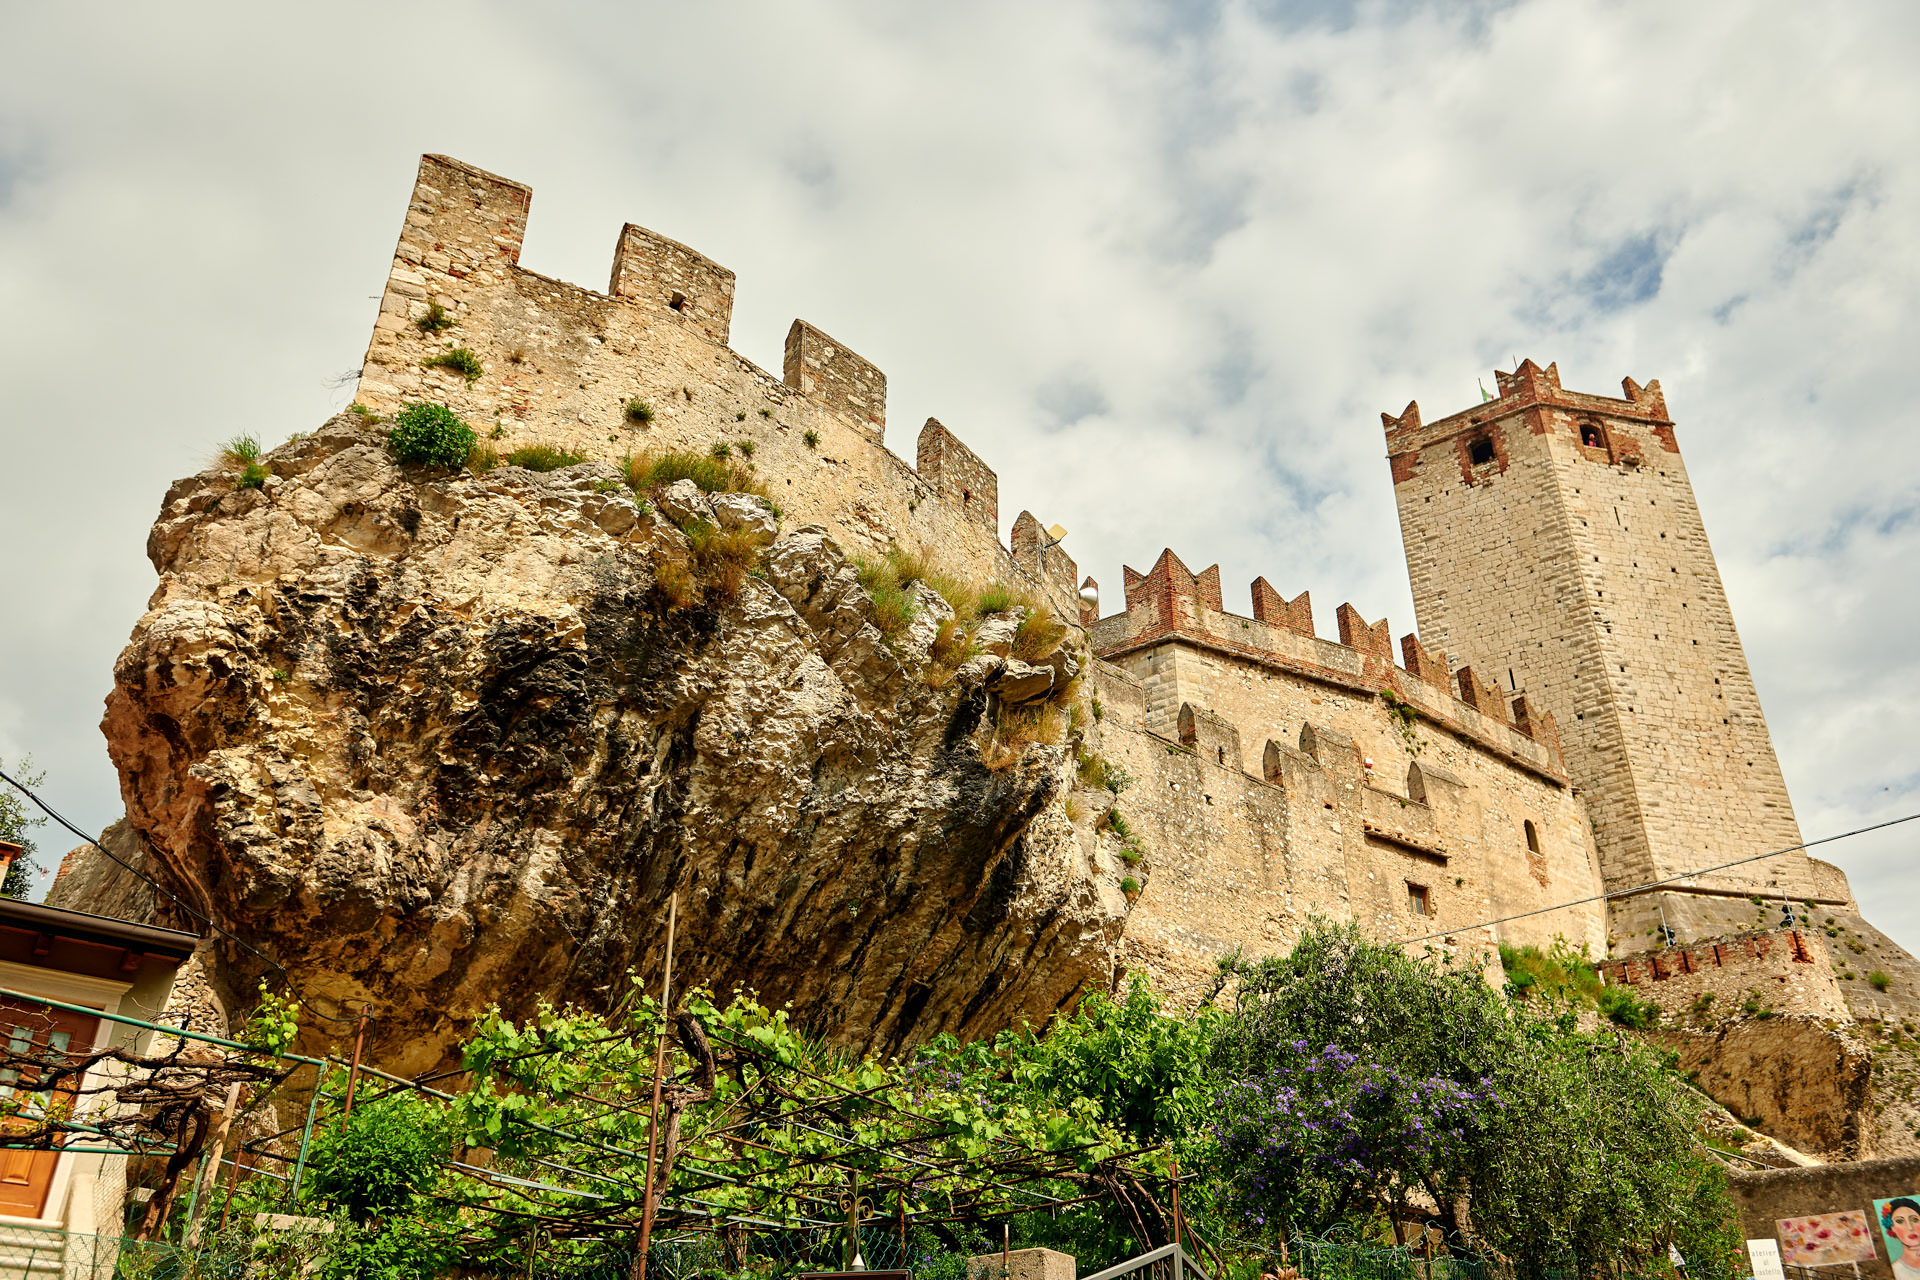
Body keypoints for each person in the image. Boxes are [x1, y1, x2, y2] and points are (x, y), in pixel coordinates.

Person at [1881, 1198, 1920, 1280]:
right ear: (1892, 1228)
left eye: (1915, 1219)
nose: (1910, 1227)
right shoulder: (1896, 1271)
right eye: (1899, 1221)